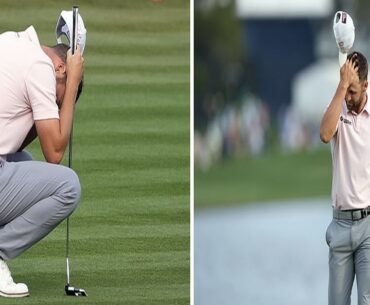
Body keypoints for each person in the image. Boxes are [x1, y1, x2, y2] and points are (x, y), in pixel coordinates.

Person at [0, 25, 84, 297]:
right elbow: (55, 153)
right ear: (60, 68)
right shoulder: (40, 68)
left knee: (24, 161)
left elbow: (12, 138)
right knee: (68, 186)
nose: (57, 107)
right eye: (55, 101)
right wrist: (70, 86)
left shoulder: (13, 41)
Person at [320, 51, 370, 305]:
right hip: (340, 226)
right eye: (345, 90)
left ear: (365, 86)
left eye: (352, 91)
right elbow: (325, 134)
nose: (348, 98)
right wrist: (341, 86)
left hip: (368, 227)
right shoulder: (338, 107)